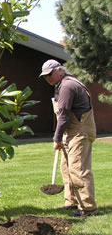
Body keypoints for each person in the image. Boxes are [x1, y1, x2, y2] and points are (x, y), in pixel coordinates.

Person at [39, 59, 98, 217]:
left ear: (59, 70)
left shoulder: (67, 86)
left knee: (78, 169)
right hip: (71, 131)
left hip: (80, 131)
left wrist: (56, 138)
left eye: (50, 74)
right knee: (66, 168)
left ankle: (87, 207)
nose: (48, 78)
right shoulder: (61, 85)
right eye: (45, 76)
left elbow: (63, 116)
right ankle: (71, 201)